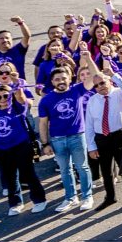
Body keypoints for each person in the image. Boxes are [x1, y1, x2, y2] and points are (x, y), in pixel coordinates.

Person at [0, 84, 48, 215]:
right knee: (9, 177)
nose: (2, 99)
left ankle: (40, 200)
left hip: (21, 146)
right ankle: (15, 203)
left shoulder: (18, 107)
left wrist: (16, 85)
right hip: (1, 149)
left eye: (5, 96)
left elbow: (22, 98)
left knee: (28, 174)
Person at [38, 59, 95, 212]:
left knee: (82, 167)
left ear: (70, 78)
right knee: (65, 170)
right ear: (52, 81)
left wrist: (88, 57)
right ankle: (70, 198)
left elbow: (96, 76)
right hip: (57, 140)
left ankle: (87, 196)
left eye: (64, 78)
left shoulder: (77, 90)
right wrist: (45, 143)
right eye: (57, 79)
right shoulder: (46, 100)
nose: (61, 81)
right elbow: (43, 123)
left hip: (77, 136)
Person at [81, 56, 122, 210]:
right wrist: (91, 146)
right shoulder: (93, 100)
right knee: (106, 171)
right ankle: (110, 197)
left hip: (119, 136)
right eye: (96, 85)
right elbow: (89, 125)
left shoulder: (120, 93)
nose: (100, 87)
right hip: (101, 139)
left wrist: (113, 75)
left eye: (102, 83)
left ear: (109, 82)